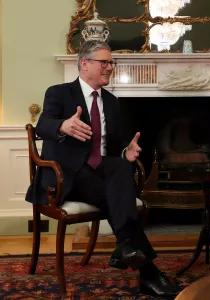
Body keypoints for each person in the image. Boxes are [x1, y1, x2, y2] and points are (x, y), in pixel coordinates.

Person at [25, 40, 181, 297]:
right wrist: (62, 126)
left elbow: (114, 145)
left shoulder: (111, 102)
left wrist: (125, 151)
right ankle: (146, 270)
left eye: (111, 63)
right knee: (119, 189)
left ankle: (130, 252)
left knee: (119, 167)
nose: (110, 67)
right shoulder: (60, 93)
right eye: (104, 62)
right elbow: (43, 124)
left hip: (98, 178)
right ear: (84, 64)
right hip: (65, 178)